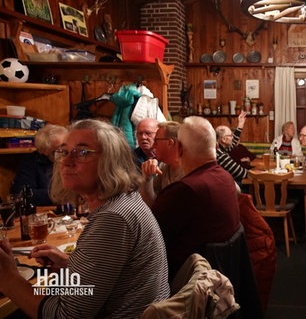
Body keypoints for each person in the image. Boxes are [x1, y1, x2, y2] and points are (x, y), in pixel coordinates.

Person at [0, 119, 170, 318]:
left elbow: (65, 316)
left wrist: (8, 278)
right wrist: (71, 264)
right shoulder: (125, 199)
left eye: (82, 152)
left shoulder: (113, 218)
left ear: (111, 160)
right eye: (64, 152)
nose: (66, 161)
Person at [152, 116, 241, 281]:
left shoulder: (185, 190)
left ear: (179, 148)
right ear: (214, 147)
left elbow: (149, 232)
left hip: (188, 283)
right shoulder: (227, 178)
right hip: (224, 277)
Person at [10, 124, 67, 206]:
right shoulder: (31, 162)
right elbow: (22, 194)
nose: (65, 154)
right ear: (44, 151)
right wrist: (59, 195)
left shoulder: (74, 158)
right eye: (59, 150)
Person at [140, 121, 185, 206]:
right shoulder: (164, 166)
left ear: (170, 143)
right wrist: (147, 178)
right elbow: (151, 204)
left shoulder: (190, 170)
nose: (153, 146)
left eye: (156, 141)